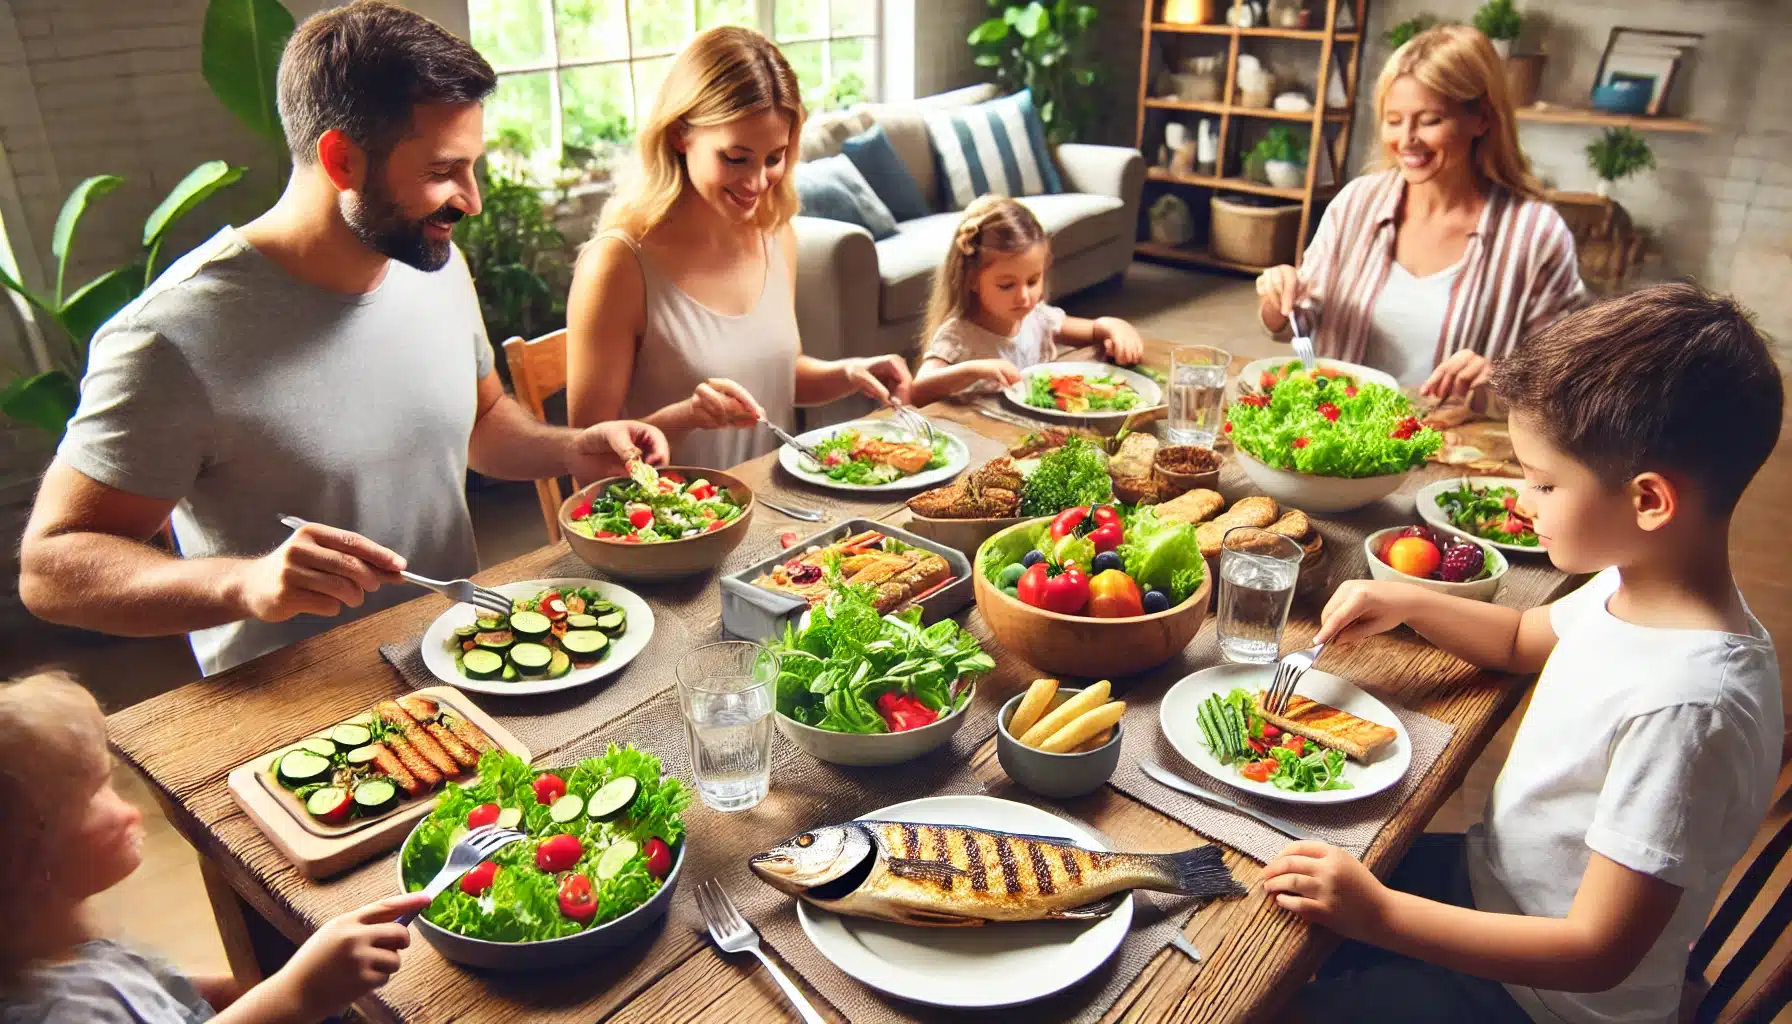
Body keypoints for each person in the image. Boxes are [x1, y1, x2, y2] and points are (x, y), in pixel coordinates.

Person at [17, 1, 666, 676]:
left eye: (471, 166)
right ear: (341, 160)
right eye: (444, 171)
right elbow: (52, 567)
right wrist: (246, 584)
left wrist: (577, 449)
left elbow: (482, 424)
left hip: (463, 661)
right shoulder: (170, 339)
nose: (470, 200)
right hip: (293, 711)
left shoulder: (433, 265)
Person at [1266, 283, 1783, 1024]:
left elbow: (1597, 950)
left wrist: (1379, 915)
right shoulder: (1631, 583)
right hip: (1494, 886)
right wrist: (1408, 602)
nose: (1521, 503)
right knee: (1282, 871)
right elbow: (1518, 639)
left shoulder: (1689, 706)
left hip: (1542, 998)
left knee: (1268, 998)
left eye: (1543, 483)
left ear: (1649, 501)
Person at [565, 26, 913, 468]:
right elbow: (585, 459)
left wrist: (848, 373)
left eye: (774, 158)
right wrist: (687, 417)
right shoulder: (618, 264)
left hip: (775, 516)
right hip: (672, 525)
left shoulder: (774, 232)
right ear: (679, 135)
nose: (755, 183)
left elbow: (776, 377)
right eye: (735, 158)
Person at [0, 670, 435, 1022]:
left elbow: (170, 997)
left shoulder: (60, 947)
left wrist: (276, 989)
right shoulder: (60, 1014)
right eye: (97, 791)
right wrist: (300, 993)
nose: (130, 806)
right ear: (26, 863)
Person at [1254, 25, 1586, 400]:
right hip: (1339, 430)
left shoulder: (1537, 235)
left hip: (1458, 447)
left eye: (1430, 121)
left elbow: (1565, 380)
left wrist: (1495, 376)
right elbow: (1298, 321)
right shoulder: (1356, 203)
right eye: (1394, 120)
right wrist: (1278, 298)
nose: (1407, 139)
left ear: (1482, 119)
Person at [909, 195, 1145, 407]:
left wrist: (1116, 327)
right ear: (971, 280)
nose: (1024, 297)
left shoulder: (1038, 318)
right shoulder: (958, 335)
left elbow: (1095, 329)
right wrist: (975, 370)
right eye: (1006, 285)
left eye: (1032, 281)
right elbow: (919, 391)